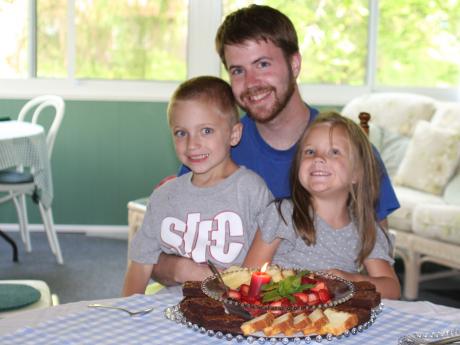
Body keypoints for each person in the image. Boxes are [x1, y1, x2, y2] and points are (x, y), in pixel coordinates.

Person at [154, 4, 399, 285]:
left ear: (294, 64)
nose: (251, 83)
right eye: (237, 71)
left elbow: (379, 267)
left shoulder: (351, 154)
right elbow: (156, 258)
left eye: (263, 64)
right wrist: (179, 270)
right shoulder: (216, 148)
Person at [122, 76, 273, 295]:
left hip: (230, 310)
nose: (192, 144)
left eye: (206, 131)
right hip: (169, 310)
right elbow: (140, 266)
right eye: (181, 133)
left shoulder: (251, 191)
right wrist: (125, 312)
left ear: (234, 134)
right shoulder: (164, 197)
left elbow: (272, 263)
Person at [243, 112, 401, 299]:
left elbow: (392, 290)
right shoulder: (283, 214)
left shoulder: (364, 229)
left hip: (335, 323)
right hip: (280, 316)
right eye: (310, 152)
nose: (318, 158)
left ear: (357, 173)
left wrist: (349, 280)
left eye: (334, 152)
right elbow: (247, 278)